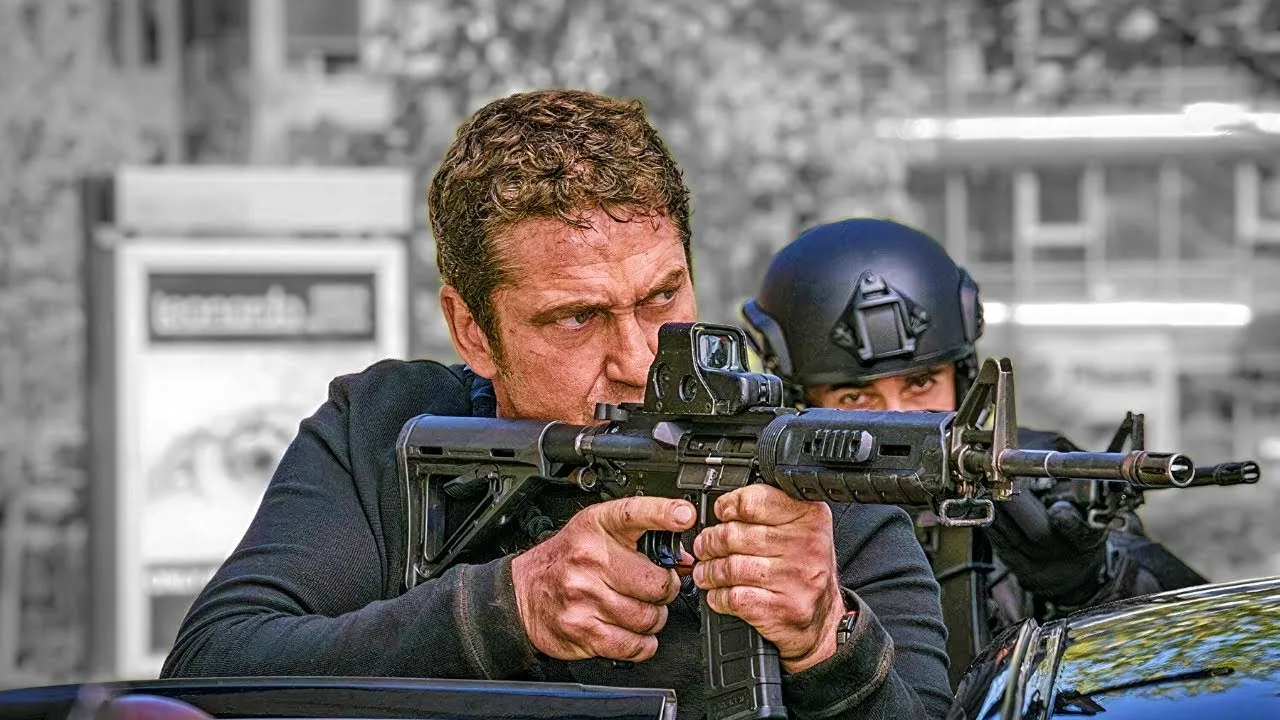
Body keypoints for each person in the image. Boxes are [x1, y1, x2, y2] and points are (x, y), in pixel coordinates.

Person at [161, 90, 953, 720]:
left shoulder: (805, 473)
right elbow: (208, 673)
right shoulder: (384, 430)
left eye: (661, 297)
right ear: (472, 331)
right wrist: (506, 607)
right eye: (577, 318)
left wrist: (826, 641)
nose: (638, 360)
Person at [741, 217, 1208, 684]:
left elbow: (1201, 651)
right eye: (856, 397)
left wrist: (1094, 581)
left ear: (963, 378)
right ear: (801, 405)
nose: (898, 419)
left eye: (921, 383)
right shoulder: (767, 514)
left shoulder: (1039, 474)